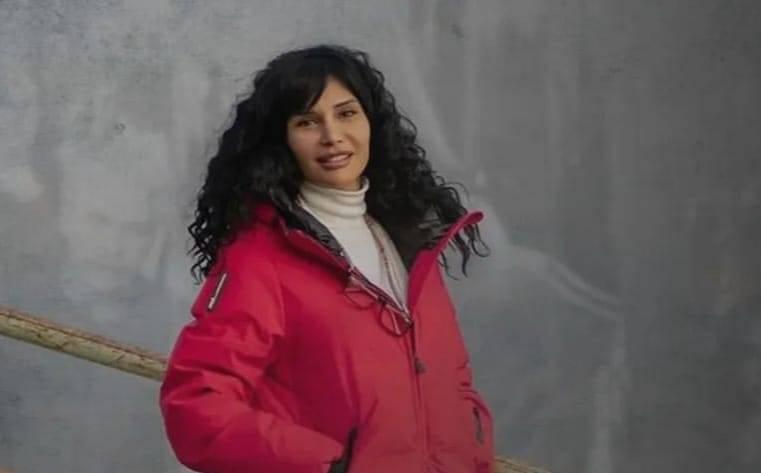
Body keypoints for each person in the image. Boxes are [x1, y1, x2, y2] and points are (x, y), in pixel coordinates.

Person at [159, 44, 494, 473]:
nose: (332, 135)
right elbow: (197, 405)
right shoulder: (262, 258)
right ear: (283, 141)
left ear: (372, 123)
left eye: (347, 113)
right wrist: (327, 466)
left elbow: (453, 382)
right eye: (307, 122)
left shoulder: (410, 240)